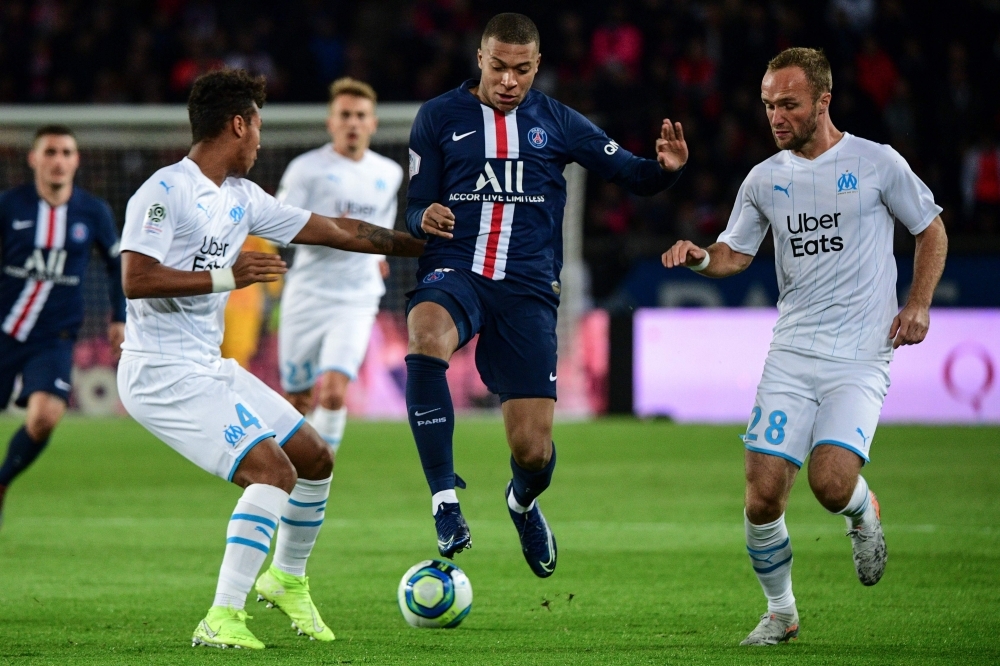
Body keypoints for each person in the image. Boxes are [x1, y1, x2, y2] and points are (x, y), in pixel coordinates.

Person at [117, 69, 423, 650]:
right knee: (272, 471)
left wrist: (426, 247)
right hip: (159, 373)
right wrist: (226, 278)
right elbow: (136, 279)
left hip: (205, 366)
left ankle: (285, 578)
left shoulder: (241, 198)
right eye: (257, 126)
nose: (260, 140)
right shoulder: (165, 191)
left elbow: (338, 230)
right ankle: (221, 616)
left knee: (313, 457)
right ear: (239, 124)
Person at [661, 47, 947, 646]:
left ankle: (863, 511)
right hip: (792, 350)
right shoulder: (765, 177)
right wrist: (700, 257)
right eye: (768, 105)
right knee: (763, 495)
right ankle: (781, 612)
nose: (776, 116)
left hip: (862, 354)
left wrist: (917, 303)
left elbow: (930, 228)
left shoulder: (876, 162)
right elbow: (734, 254)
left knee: (830, 484)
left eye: (789, 104)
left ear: (824, 101)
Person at [405, 12, 688, 577]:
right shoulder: (437, 117)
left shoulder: (556, 120)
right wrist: (423, 215)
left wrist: (666, 170)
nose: (509, 81)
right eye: (499, 67)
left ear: (537, 67)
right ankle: (445, 502)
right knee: (425, 336)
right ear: (479, 59)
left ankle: (522, 503)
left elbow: (632, 172)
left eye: (522, 70)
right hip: (457, 270)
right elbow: (416, 205)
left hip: (528, 290)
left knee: (533, 452)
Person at [0, 125, 126, 530]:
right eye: (50, 151)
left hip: (54, 337)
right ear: (34, 159)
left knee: (45, 417)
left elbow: (116, 265)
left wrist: (119, 317)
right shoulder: (9, 206)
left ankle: (2, 484)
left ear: (76, 161)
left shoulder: (93, 212)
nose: (58, 160)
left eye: (66, 152)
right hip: (4, 330)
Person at [276, 77, 403, 452]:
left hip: (356, 298)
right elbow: (279, 226)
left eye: (360, 115)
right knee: (297, 399)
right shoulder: (305, 169)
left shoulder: (388, 173)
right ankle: (290, 470)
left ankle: (318, 475)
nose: (353, 122)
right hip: (307, 295)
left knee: (333, 393)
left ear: (373, 123)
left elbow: (383, 222)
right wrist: (334, 231)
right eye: (344, 115)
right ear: (331, 122)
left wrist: (378, 255)